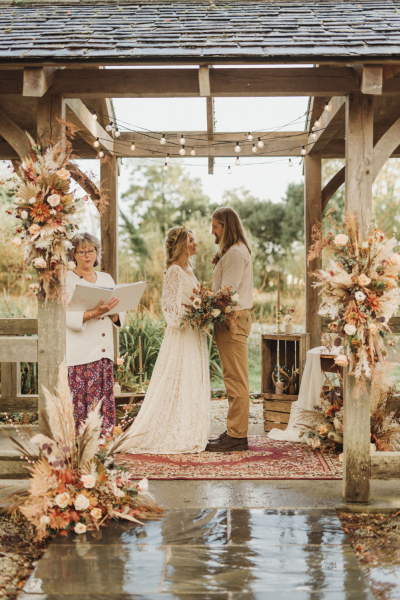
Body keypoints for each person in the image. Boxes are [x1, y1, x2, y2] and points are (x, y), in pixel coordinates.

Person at [118, 226, 210, 454]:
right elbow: (169, 308)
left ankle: (190, 427)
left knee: (191, 377)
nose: (195, 244)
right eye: (191, 240)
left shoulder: (189, 270)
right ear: (181, 244)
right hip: (181, 333)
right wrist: (191, 316)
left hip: (194, 333)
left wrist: (205, 313)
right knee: (179, 376)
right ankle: (175, 430)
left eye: (194, 240)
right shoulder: (174, 271)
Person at [66, 232, 125, 435]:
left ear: (97, 252)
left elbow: (119, 310)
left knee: (103, 402)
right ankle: (82, 443)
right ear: (73, 254)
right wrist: (94, 313)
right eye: (81, 251)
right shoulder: (67, 279)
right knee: (81, 405)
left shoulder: (106, 278)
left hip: (103, 352)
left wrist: (115, 313)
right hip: (80, 354)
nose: (87, 255)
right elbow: (64, 316)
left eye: (90, 250)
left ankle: (103, 442)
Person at [206, 207, 253, 452]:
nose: (212, 231)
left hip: (233, 320)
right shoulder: (234, 251)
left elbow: (227, 293)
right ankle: (235, 430)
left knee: (236, 379)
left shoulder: (235, 253)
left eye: (215, 226)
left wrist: (204, 306)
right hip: (230, 319)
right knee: (232, 377)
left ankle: (237, 436)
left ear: (226, 226)